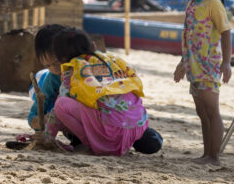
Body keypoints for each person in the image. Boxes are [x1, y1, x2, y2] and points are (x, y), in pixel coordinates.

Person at [36, 28, 162, 156]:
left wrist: (47, 137)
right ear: (92, 45)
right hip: (138, 126)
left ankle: (90, 144)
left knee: (61, 105)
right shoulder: (111, 59)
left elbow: (57, 112)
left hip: (112, 132)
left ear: (61, 58)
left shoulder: (73, 69)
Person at [173, 0, 233, 167]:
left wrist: (227, 62)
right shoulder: (193, 3)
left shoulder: (212, 3)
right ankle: (207, 153)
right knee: (201, 112)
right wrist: (183, 62)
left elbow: (226, 32)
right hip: (193, 67)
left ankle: (214, 156)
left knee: (211, 111)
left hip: (208, 66)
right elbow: (188, 38)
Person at [28, 24, 67, 130]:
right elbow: (35, 111)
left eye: (57, 63)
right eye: (48, 65)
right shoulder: (53, 77)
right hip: (40, 80)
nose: (55, 69)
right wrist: (38, 122)